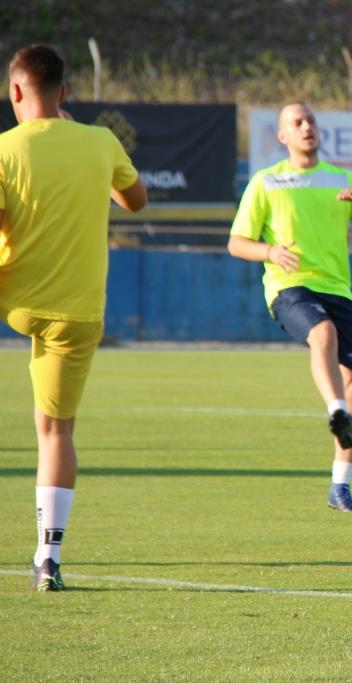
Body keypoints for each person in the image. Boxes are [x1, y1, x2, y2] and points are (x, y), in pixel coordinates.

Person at [0, 44, 148, 591]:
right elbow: (135, 200)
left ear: (15, 92)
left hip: (12, 299)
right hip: (73, 311)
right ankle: (47, 558)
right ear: (65, 93)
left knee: (45, 426)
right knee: (56, 432)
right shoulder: (100, 141)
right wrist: (89, 155)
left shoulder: (3, 149)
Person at [228, 102, 352, 512]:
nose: (307, 127)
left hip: (338, 292)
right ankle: (335, 407)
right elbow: (237, 242)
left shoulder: (339, 180)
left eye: (311, 121)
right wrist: (270, 251)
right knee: (322, 333)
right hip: (290, 289)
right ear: (283, 136)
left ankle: (340, 487)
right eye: (297, 123)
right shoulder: (266, 183)